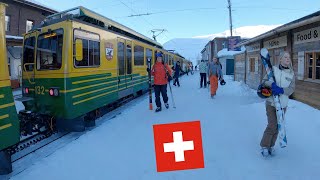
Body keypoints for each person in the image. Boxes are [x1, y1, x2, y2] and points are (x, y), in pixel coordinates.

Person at [259, 51, 295, 157]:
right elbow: (264, 81)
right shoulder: (273, 70)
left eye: (289, 57)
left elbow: (291, 89)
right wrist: (272, 84)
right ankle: (264, 146)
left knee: (279, 127)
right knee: (272, 125)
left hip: (282, 105)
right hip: (271, 103)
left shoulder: (291, 74)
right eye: (285, 57)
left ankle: (271, 146)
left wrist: (281, 90)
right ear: (280, 59)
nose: (288, 59)